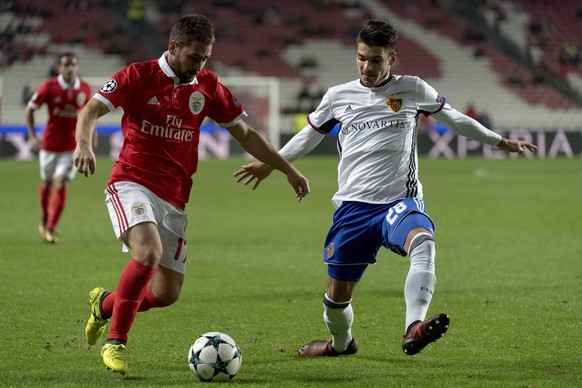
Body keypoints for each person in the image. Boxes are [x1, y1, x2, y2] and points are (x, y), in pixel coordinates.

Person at [234, 19, 537, 358]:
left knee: (423, 241)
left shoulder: (412, 89)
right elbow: (308, 136)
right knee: (335, 301)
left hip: (398, 201)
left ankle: (414, 327)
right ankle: (340, 344)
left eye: (375, 60)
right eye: (361, 57)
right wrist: (269, 164)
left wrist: (498, 141)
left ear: (391, 59)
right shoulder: (338, 96)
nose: (366, 66)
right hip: (351, 208)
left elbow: (454, 118)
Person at [73, 14, 310, 375]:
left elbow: (245, 134)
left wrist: (287, 168)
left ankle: (105, 306)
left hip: (175, 197)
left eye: (205, 58)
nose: (199, 65)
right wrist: (84, 145)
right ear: (173, 47)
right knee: (147, 253)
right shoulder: (137, 76)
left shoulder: (207, 87)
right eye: (194, 57)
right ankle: (116, 342)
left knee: (167, 293)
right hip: (131, 182)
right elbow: (90, 110)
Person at [25, 52, 92, 243]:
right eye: (66, 65)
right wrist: (32, 136)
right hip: (49, 145)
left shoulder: (85, 89)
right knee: (46, 182)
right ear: (59, 68)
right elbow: (29, 109)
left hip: (72, 146)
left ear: (77, 67)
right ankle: (45, 218)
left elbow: (90, 115)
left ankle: (51, 228)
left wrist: (89, 138)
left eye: (73, 65)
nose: (70, 68)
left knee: (61, 181)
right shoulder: (48, 87)